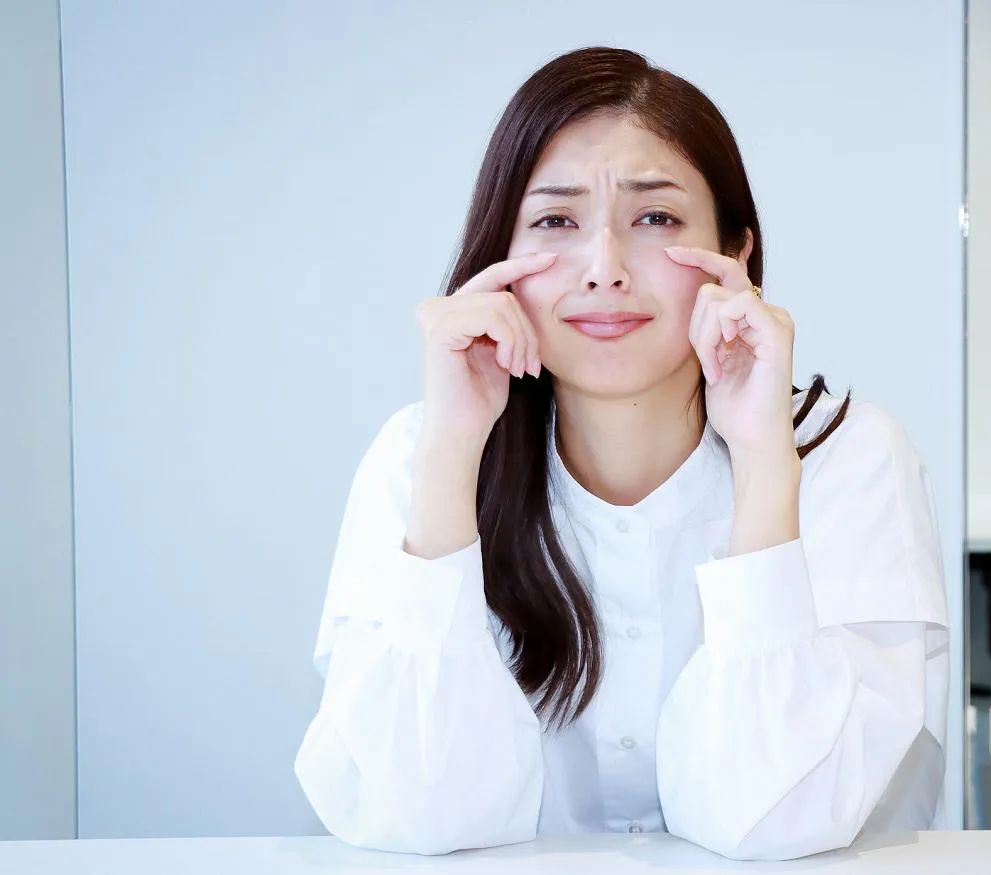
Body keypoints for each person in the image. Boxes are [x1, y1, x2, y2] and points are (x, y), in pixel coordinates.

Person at [294, 46, 948, 862]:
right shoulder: (415, 457)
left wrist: (763, 465)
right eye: (556, 222)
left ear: (736, 255)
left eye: (656, 219)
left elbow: (774, 820)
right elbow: (416, 814)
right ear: (502, 258)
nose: (603, 270)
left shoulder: (851, 459)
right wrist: (452, 450)